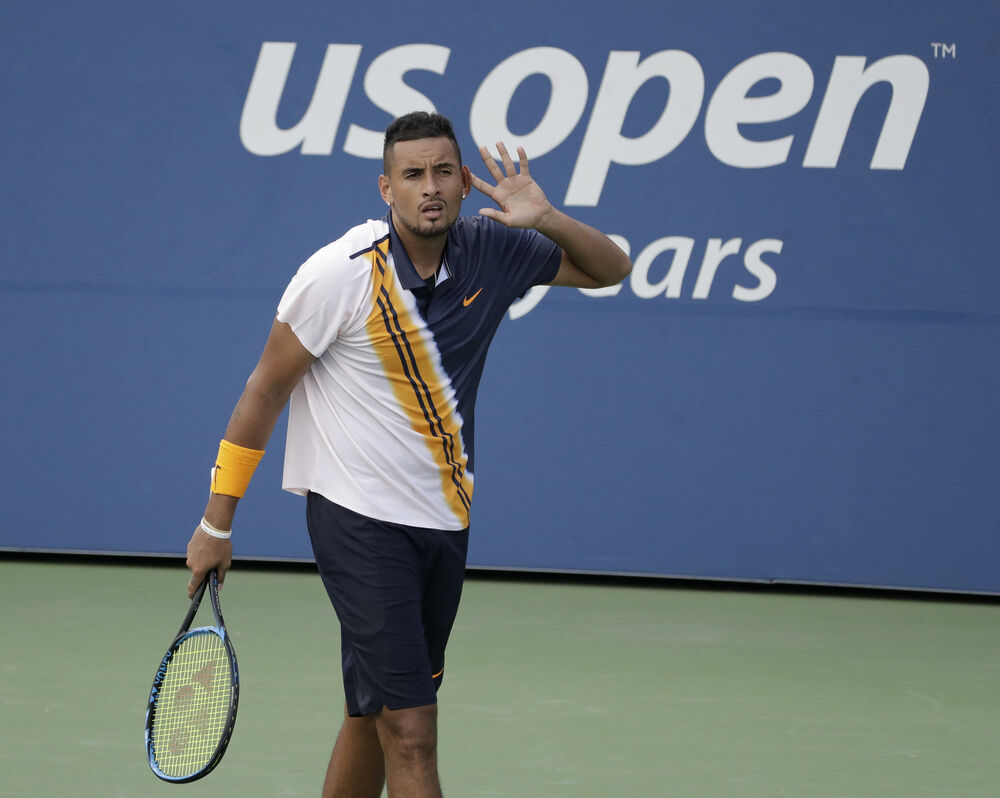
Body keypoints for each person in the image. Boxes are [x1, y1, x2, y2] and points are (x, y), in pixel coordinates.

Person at [184, 111, 632, 798]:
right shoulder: (340, 274)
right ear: (386, 188)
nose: (431, 187)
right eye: (414, 174)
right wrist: (217, 524)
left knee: (372, 716)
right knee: (413, 731)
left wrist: (546, 218)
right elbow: (264, 392)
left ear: (464, 183)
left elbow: (610, 269)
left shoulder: (493, 250)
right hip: (358, 522)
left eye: (444, 172)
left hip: (443, 522)